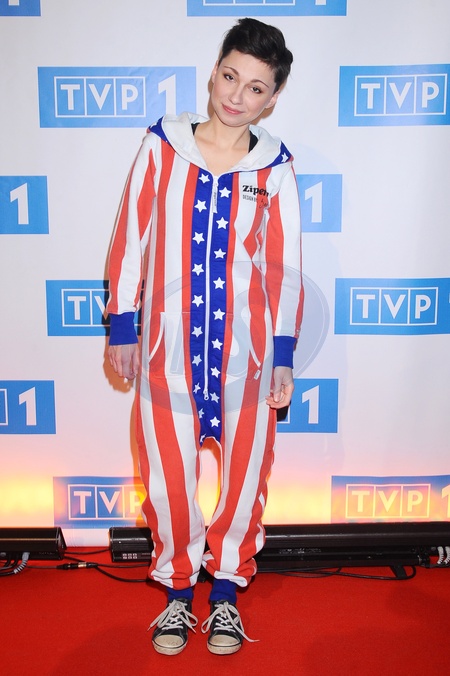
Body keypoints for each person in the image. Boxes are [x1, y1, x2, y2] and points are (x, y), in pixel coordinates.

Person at [107, 17, 303, 656]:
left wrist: (282, 353)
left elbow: (285, 266)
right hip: (167, 350)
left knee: (245, 480)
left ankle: (224, 594)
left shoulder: (275, 168)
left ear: (272, 99)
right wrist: (122, 323)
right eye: (230, 77)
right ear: (214, 72)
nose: (236, 96)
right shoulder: (162, 146)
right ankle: (175, 590)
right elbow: (132, 236)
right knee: (167, 478)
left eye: (255, 88)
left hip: (247, 355)